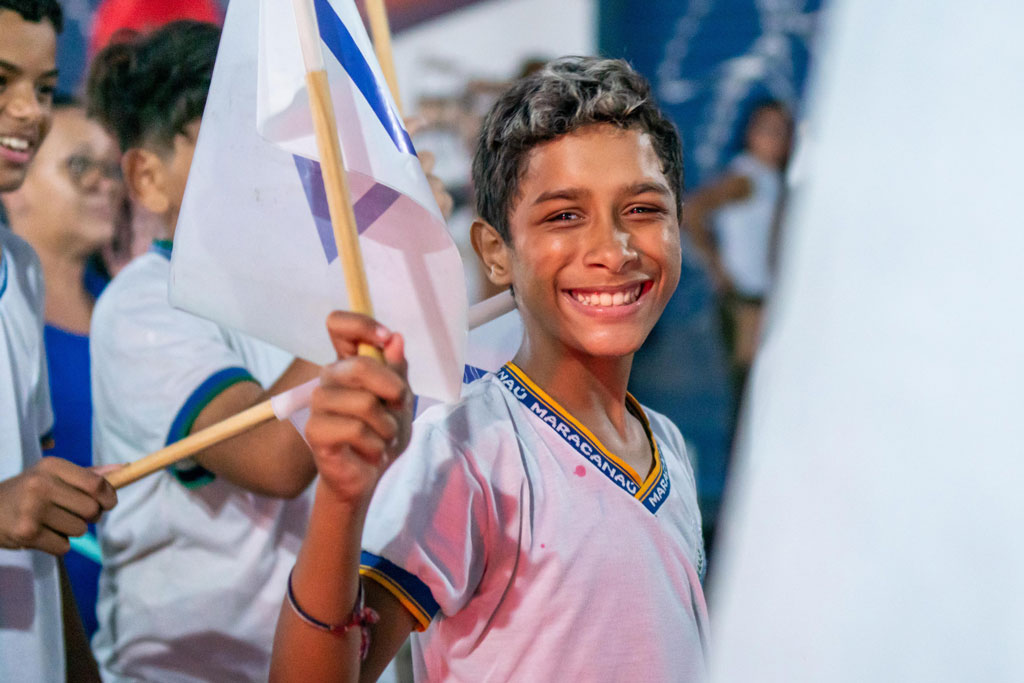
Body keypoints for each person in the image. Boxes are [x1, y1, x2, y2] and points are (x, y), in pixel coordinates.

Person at [271, 56, 708, 681]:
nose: (613, 250)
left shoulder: (666, 443)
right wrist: (343, 498)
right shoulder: (466, 449)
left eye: (643, 209)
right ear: (495, 254)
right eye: (564, 215)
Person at [86, 21, 322, 682]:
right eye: (227, 138)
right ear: (147, 176)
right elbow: (275, 458)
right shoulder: (143, 304)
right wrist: (375, 263)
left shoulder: (315, 291)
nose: (266, 158)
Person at [0, 2, 118, 681]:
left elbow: (42, 521)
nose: (28, 112)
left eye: (42, 88)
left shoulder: (19, 271)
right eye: (2, 81)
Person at [683, 99, 793, 392]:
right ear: (750, 134)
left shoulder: (773, 179)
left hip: (762, 295)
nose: (775, 139)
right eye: (767, 130)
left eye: (782, 131)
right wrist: (718, 268)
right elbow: (693, 210)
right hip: (744, 297)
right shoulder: (747, 177)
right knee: (748, 386)